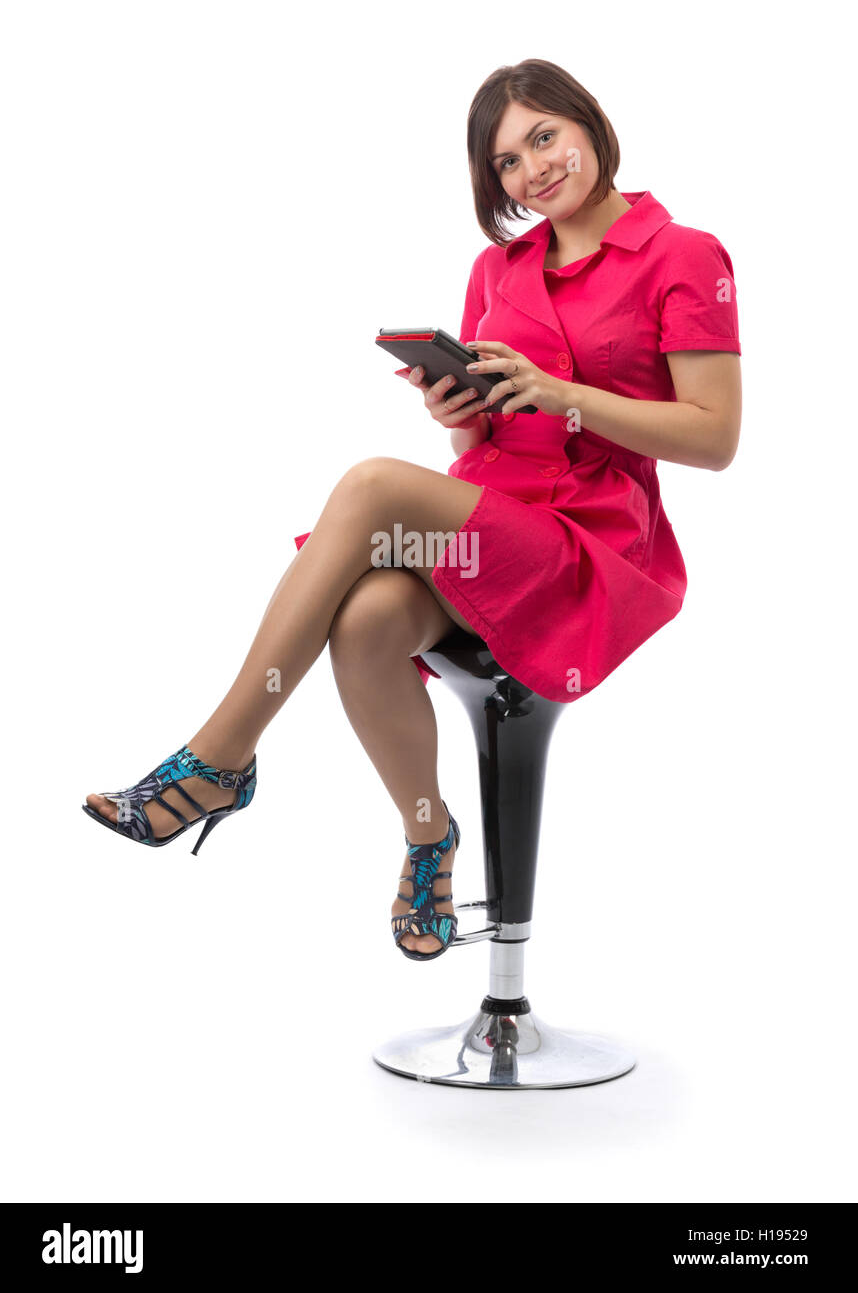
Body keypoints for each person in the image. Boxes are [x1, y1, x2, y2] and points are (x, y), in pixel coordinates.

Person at [84, 57, 742, 961]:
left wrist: (560, 396)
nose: (532, 170)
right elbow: (481, 456)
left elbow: (715, 438)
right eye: (507, 162)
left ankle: (220, 757)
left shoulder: (683, 254)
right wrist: (458, 415)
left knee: (368, 484)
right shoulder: (496, 268)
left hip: (594, 540)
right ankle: (429, 835)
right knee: (366, 618)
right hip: (497, 518)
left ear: (586, 124)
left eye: (543, 138)